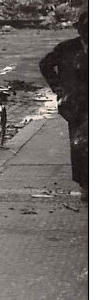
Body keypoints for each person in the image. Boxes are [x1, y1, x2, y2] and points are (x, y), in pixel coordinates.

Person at [39, 11, 88, 200]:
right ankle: (85, 185)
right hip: (75, 105)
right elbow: (45, 65)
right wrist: (59, 88)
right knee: (79, 146)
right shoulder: (66, 48)